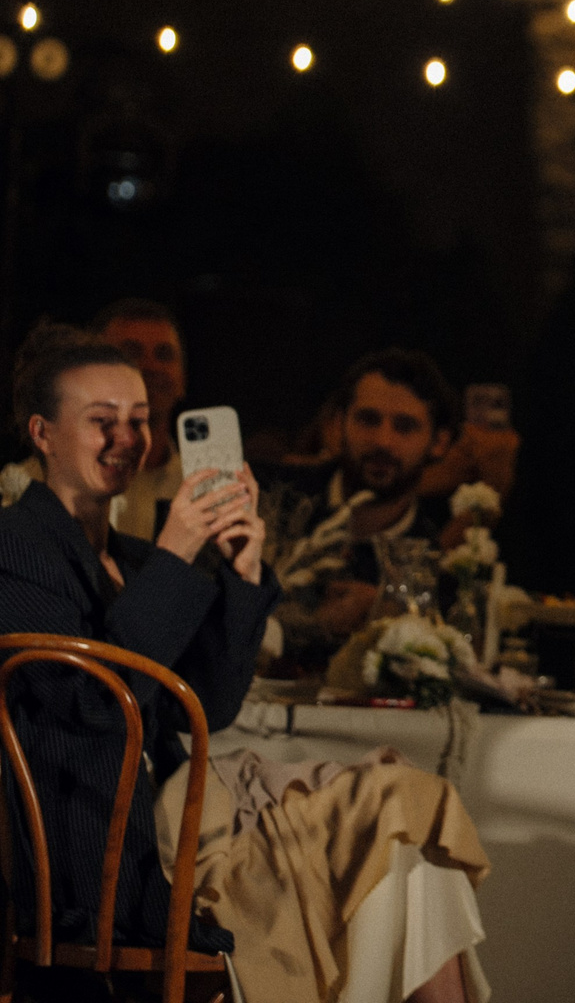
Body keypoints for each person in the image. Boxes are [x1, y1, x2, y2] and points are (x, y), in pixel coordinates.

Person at [0, 324, 487, 1003]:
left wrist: (243, 570)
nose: (127, 438)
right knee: (394, 814)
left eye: (140, 419)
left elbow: (209, 701)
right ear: (43, 434)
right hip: (100, 858)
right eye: (101, 420)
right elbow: (92, 706)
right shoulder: (17, 544)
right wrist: (176, 553)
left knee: (402, 829)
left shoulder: (133, 559)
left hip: (177, 821)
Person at [261, 349, 458, 670]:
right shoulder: (270, 498)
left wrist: (393, 617)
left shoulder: (433, 566)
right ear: (339, 424)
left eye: (405, 426)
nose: (383, 441)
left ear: (439, 442)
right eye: (368, 420)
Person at [0, 299, 188, 540]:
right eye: (130, 353)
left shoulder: (198, 481)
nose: (150, 367)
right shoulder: (22, 485)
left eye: (164, 354)